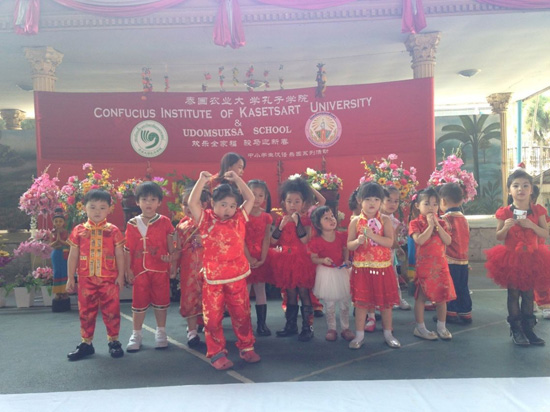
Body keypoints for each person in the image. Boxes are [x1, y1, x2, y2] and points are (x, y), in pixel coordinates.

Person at [188, 170, 260, 370]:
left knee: (242, 314)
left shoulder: (239, 218)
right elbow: (192, 203)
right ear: (212, 203)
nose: (228, 209)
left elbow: (250, 198)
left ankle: (246, 347)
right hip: (213, 278)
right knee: (213, 318)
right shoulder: (206, 220)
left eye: (232, 205)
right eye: (223, 204)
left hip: (237, 275)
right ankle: (217, 352)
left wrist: (238, 179)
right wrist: (201, 181)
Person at [484, 169, 550, 346]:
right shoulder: (504, 212)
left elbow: (545, 232)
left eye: (525, 185)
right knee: (513, 293)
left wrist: (531, 226)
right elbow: (499, 236)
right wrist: (506, 227)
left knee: (528, 294)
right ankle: (516, 329)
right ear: (509, 190)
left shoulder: (538, 210)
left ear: (531, 190)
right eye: (516, 186)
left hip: (533, 258)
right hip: (512, 258)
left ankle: (529, 328)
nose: (521, 189)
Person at [65, 189, 126, 361]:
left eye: (102, 207)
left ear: (109, 209)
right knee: (85, 311)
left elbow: (120, 254)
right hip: (86, 279)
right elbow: (73, 255)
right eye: (92, 207)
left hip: (109, 279)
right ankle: (86, 343)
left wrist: (121, 276)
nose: (97, 211)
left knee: (112, 310)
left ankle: (114, 341)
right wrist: (70, 277)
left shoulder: (113, 231)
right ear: (84, 208)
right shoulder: (78, 230)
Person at [347, 182, 401, 350]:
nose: (372, 203)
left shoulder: (385, 220)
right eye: (368, 199)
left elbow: (390, 242)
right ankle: (359, 335)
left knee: (385, 304)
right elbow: (349, 245)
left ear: (381, 201)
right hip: (361, 269)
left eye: (377, 199)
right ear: (359, 200)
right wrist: (358, 241)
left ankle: (388, 334)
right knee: (361, 304)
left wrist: (373, 236)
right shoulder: (355, 221)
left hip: (382, 268)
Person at [125, 181, 175, 352]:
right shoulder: (132, 223)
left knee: (161, 301)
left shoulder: (165, 222)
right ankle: (136, 334)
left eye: (153, 199)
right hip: (139, 270)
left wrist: (171, 260)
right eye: (144, 199)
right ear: (137, 202)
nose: (149, 203)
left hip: (160, 268)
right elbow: (128, 248)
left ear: (159, 202)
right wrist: (128, 269)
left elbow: (172, 246)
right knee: (138, 302)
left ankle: (161, 332)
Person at [271, 176, 316, 342]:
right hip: (286, 261)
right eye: (289, 201)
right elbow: (273, 241)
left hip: (302, 261)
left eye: (297, 201)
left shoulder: (307, 220)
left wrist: (298, 223)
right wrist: (281, 226)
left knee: (303, 292)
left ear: (303, 204)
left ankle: (307, 327)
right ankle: (291, 326)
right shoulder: (280, 219)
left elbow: (305, 240)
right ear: (284, 202)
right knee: (290, 293)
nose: (293, 205)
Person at [409, 188, 456, 341]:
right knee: (421, 298)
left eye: (435, 204)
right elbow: (420, 240)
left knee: (442, 298)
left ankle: (442, 327)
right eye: (427, 204)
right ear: (418, 206)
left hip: (441, 266)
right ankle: (420, 327)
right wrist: (430, 226)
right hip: (425, 267)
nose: (431, 207)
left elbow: (448, 241)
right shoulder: (415, 223)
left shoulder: (442, 223)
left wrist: (437, 226)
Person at [310, 206, 354, 342]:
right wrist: (323, 260)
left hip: (341, 271)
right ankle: (332, 328)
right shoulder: (316, 240)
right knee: (329, 304)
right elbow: (313, 258)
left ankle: (345, 328)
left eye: (332, 217)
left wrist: (346, 259)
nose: (331, 220)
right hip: (326, 273)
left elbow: (345, 248)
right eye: (326, 218)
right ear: (318, 224)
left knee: (345, 302)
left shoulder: (341, 236)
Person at [173, 186, 210, 348]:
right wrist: (173, 268)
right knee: (189, 298)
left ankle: (210, 327)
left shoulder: (209, 222)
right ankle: (192, 331)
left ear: (204, 204)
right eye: (185, 204)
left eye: (192, 203)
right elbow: (177, 250)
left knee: (209, 298)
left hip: (208, 269)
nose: (188, 207)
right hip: (188, 271)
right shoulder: (180, 227)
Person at [439, 183, 472, 324]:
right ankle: (466, 312)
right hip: (463, 259)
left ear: (443, 201)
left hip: (450, 259)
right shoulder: (464, 218)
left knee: (450, 287)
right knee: (463, 287)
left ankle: (451, 312)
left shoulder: (445, 219)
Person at [244, 179, 274, 337]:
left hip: (261, 257)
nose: (256, 198)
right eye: (253, 194)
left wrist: (263, 258)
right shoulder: (241, 214)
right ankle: (245, 324)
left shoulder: (267, 217)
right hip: (244, 257)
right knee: (245, 291)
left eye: (260, 195)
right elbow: (240, 239)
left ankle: (262, 324)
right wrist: (249, 258)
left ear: (265, 197)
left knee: (261, 289)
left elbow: (266, 238)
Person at [49, 207, 71, 312]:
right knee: (57, 272)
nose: (58, 223)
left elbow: (69, 243)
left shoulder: (66, 232)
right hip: (56, 253)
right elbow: (51, 244)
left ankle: (65, 292)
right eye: (56, 221)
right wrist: (57, 240)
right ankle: (58, 293)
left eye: (60, 221)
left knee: (65, 272)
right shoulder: (52, 233)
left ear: (64, 222)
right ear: (53, 222)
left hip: (65, 253)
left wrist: (60, 241)